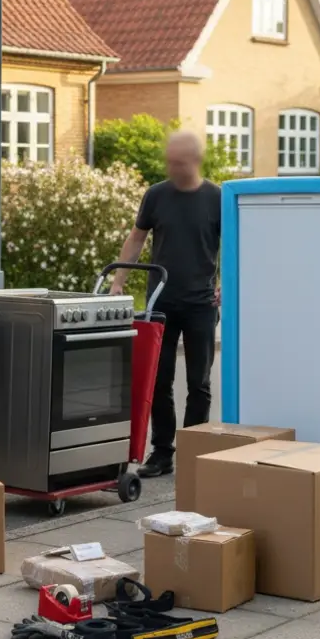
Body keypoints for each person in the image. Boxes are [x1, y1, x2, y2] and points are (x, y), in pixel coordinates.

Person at [109, 130, 221, 478]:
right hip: (161, 301)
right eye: (169, 162)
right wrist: (118, 280)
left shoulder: (216, 198)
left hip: (201, 303)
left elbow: (236, 244)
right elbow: (137, 237)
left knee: (199, 383)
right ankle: (162, 453)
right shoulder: (156, 195)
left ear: (195, 161)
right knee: (159, 380)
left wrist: (228, 285)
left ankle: (193, 451)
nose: (172, 168)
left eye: (179, 163)